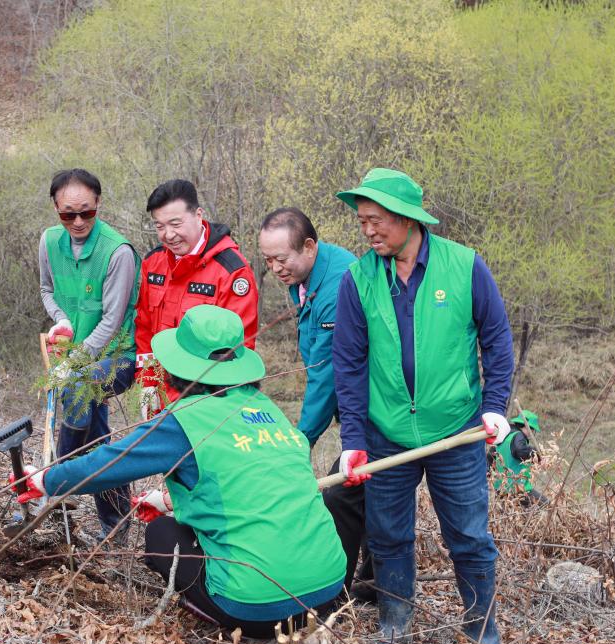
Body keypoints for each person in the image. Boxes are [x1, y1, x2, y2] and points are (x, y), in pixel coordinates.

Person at [11, 305, 349, 638]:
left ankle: (219, 616)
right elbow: (246, 484)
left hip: (256, 607)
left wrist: (42, 480)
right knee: (176, 521)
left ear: (179, 367)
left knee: (160, 534)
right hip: (329, 591)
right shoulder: (268, 409)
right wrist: (169, 501)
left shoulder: (185, 418)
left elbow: (109, 463)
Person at [332, 168, 515, 644]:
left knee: (470, 537)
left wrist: (494, 405)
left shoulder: (464, 266)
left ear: (407, 218)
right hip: (386, 434)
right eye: (362, 221)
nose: (367, 231)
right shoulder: (359, 280)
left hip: (456, 431)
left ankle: (483, 634)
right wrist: (353, 439)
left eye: (375, 221)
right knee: (388, 534)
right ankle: (395, 621)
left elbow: (497, 341)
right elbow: (348, 364)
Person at [258, 207, 373, 596]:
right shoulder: (305, 276)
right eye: (268, 260)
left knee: (343, 493)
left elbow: (329, 373)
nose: (275, 268)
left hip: (377, 408)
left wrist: (300, 439)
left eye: (281, 259)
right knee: (372, 492)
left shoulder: (339, 284)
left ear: (309, 246)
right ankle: (372, 582)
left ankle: (332, 590)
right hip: (356, 408)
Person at [39, 168, 140, 540]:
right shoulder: (49, 242)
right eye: (68, 214)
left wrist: (75, 363)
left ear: (98, 204)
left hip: (118, 358)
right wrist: (62, 320)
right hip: (76, 359)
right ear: (56, 209)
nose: (78, 221)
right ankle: (114, 531)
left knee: (79, 386)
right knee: (99, 440)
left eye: (86, 212)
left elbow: (113, 321)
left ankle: (59, 476)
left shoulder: (118, 252)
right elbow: (46, 290)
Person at [134, 179, 258, 417]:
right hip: (159, 399)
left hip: (204, 404)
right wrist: (148, 382)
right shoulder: (154, 263)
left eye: (175, 224)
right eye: (159, 226)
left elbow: (238, 352)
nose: (168, 235)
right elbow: (145, 328)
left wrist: (203, 405)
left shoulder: (231, 271)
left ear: (198, 215)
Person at [488, 410, 547, 505]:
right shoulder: (519, 436)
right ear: (528, 428)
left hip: (501, 489)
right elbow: (520, 451)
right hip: (518, 488)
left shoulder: (503, 437)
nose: (531, 433)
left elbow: (490, 456)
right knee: (546, 505)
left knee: (509, 515)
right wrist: (537, 454)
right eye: (532, 430)